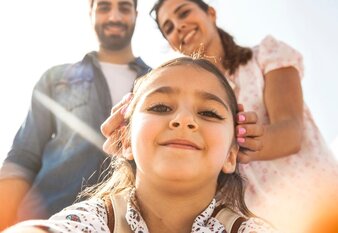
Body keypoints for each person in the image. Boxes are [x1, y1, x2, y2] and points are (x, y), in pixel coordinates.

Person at [2, 57, 278, 233]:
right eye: (160, 107)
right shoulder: (94, 220)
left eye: (208, 113)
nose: (183, 120)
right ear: (126, 141)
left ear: (232, 155)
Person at [148, 0, 338, 232]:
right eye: (168, 27)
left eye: (184, 12)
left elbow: (291, 132)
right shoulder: (185, 103)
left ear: (211, 13)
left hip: (318, 203)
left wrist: (241, 142)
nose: (178, 26)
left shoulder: (265, 56)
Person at [0, 0, 150, 229]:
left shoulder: (158, 83)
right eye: (104, 7)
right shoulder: (56, 78)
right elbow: (23, 157)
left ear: (136, 14)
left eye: (124, 7)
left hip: (127, 224)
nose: (114, 16)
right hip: (49, 219)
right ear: (90, 13)